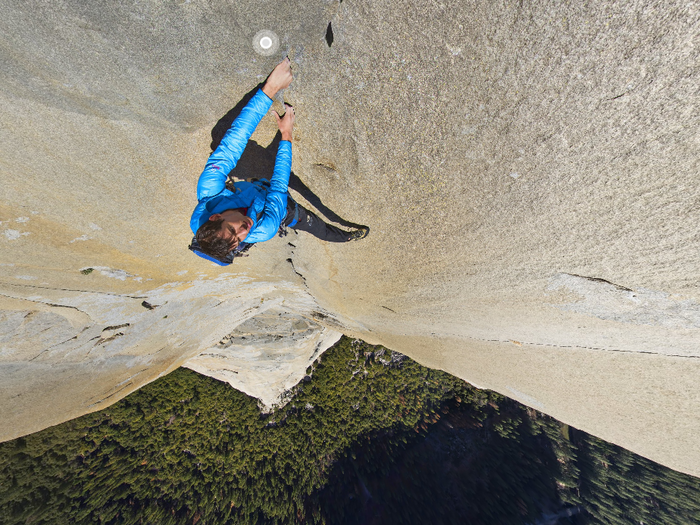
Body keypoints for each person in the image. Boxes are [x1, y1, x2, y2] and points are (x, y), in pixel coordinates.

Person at [189, 57, 368, 266]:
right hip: (280, 211)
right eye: (238, 240)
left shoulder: (209, 193)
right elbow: (279, 186)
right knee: (313, 225)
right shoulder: (263, 229)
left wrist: (270, 90)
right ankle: (346, 236)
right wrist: (286, 135)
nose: (244, 230)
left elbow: (232, 143)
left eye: (232, 229)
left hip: (251, 191)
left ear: (214, 217)